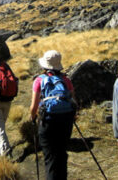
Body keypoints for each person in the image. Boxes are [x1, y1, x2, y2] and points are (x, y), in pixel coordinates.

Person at [30, 50, 76, 180]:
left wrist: (33, 117)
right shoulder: (66, 80)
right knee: (62, 155)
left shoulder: (39, 80)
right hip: (66, 120)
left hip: (47, 121)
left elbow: (34, 106)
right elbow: (74, 101)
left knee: (50, 157)